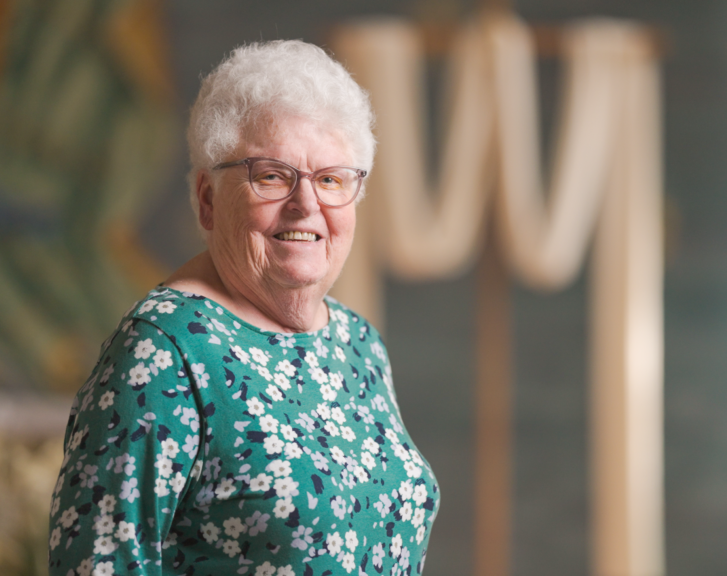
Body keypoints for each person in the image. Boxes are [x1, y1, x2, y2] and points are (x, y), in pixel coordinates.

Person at [47, 40, 439, 576]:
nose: (307, 205)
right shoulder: (161, 355)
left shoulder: (358, 343)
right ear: (208, 199)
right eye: (273, 176)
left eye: (330, 179)